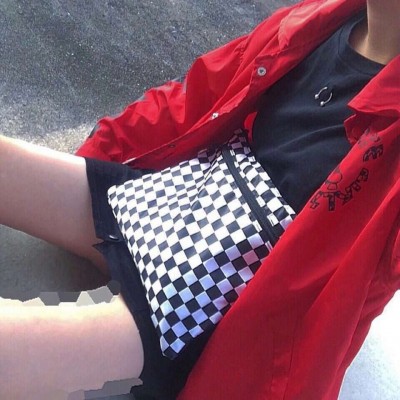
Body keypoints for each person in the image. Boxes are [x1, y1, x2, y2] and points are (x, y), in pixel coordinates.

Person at [0, 0, 399, 399]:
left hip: (216, 323)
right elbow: (195, 96)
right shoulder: (321, 20)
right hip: (172, 206)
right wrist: (103, 152)